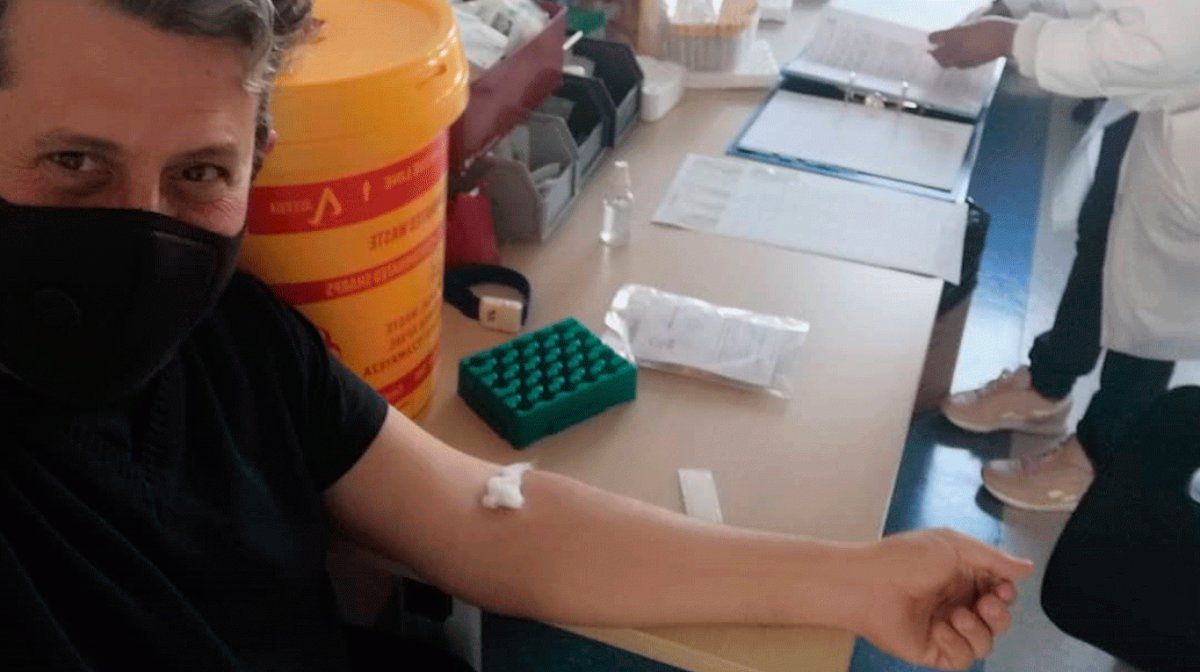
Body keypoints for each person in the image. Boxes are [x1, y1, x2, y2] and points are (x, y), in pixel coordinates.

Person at [0, 1, 1034, 670]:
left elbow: (482, 515)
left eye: (200, 173)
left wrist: (851, 579)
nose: (142, 228)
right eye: (74, 163)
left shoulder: (233, 336)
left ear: (256, 158)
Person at [929, 0, 1200, 512]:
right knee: (1105, 231)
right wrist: (1018, 10)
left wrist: (1014, 38)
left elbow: (1160, 42)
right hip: (1167, 102)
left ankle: (1102, 454)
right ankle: (1049, 382)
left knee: (1155, 299)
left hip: (1181, 100)